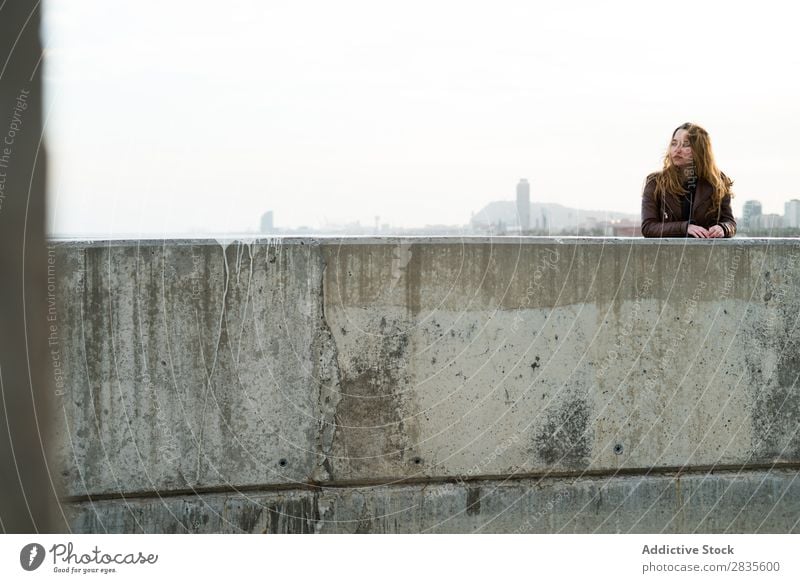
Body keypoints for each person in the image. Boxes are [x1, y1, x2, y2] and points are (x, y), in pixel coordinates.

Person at [641, 122, 736, 238]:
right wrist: (685, 227)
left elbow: (730, 223)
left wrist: (723, 228)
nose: (677, 150)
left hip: (705, 254)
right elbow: (648, 227)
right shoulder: (655, 183)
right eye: (674, 143)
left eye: (686, 145)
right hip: (667, 254)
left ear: (701, 150)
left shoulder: (718, 181)